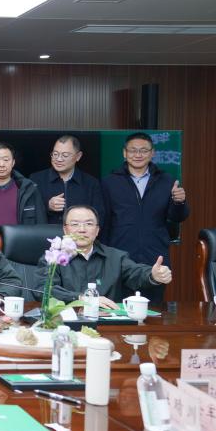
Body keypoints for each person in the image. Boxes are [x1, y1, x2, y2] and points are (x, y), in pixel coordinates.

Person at [102, 132, 188, 301]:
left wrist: (179, 202)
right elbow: (103, 221)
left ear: (152, 153)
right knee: (119, 310)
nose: (138, 155)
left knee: (153, 309)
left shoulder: (166, 180)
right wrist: (105, 257)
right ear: (124, 153)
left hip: (154, 256)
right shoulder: (109, 182)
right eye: (133, 150)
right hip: (120, 256)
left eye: (143, 150)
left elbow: (177, 217)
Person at [38, 205, 171, 307]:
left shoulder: (115, 257)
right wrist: (81, 299)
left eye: (89, 224)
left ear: (97, 230)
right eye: (75, 224)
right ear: (65, 230)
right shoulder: (54, 258)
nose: (82, 229)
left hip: (108, 324)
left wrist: (153, 275)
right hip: (67, 322)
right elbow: (43, 290)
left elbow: (136, 273)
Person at [0, 141, 46, 239]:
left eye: (6, 160)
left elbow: (41, 224)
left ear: (13, 162)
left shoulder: (28, 189)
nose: (1, 164)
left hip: (21, 246)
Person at [29, 134, 106, 225]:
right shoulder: (36, 179)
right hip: (46, 233)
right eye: (55, 154)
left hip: (78, 233)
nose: (59, 159)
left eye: (65, 155)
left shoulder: (91, 183)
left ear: (78, 156)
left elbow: (98, 217)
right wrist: (47, 206)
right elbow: (28, 212)